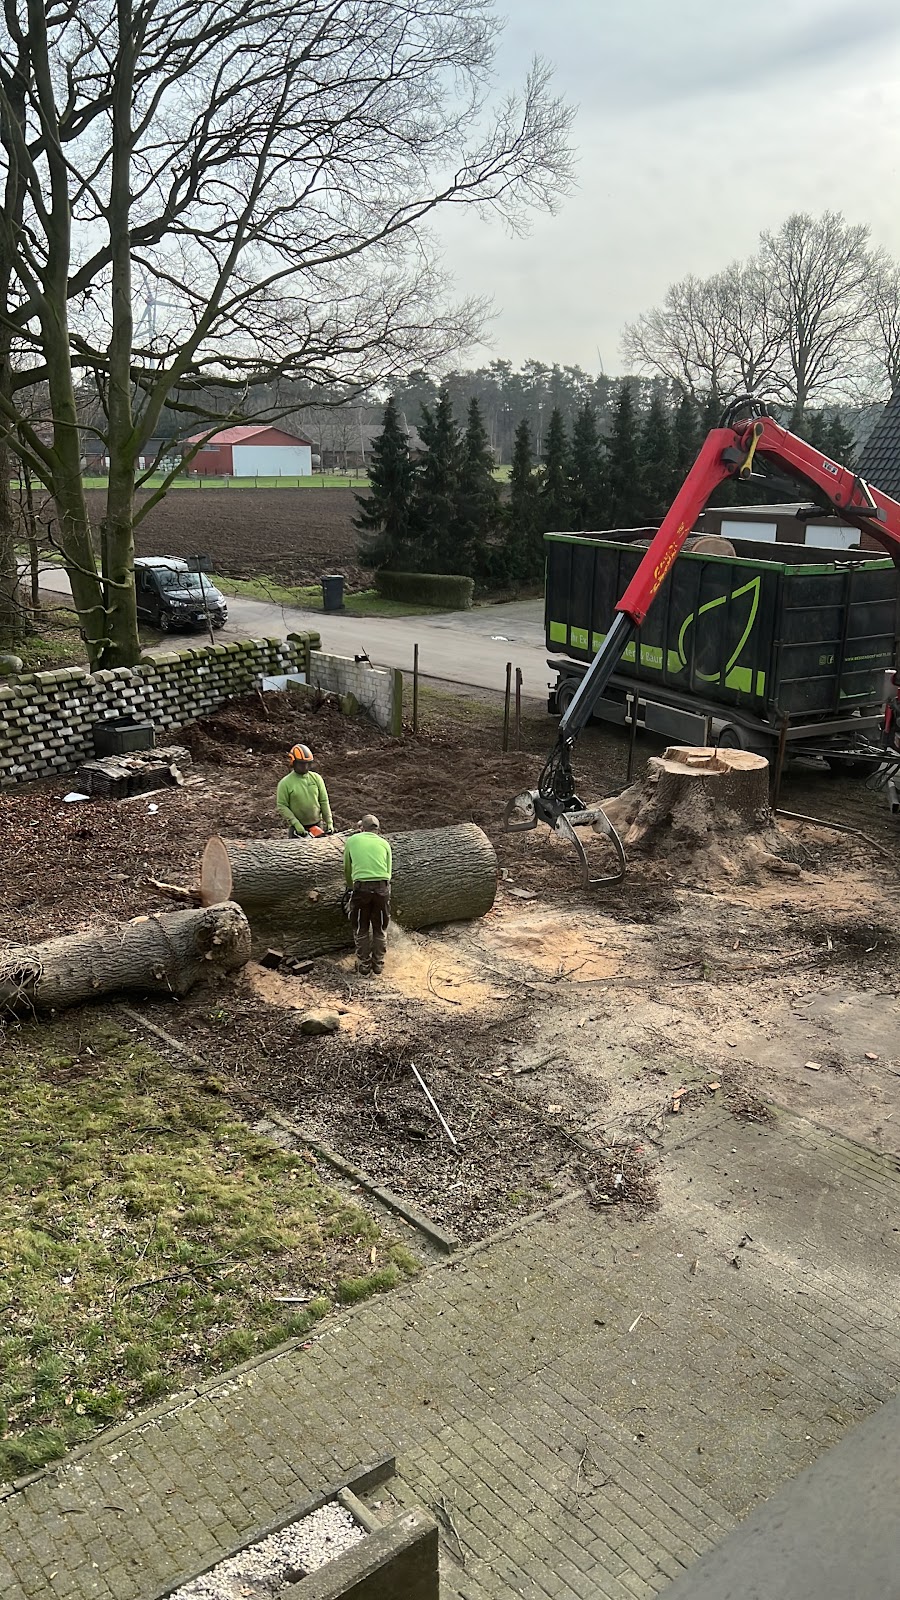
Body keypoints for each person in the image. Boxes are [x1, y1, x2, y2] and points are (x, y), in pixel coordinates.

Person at [343, 814, 392, 976]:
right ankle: (378, 964)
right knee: (380, 928)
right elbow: (388, 872)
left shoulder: (352, 840)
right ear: (377, 829)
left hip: (362, 889)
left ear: (361, 828)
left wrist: (350, 887)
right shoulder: (384, 843)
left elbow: (347, 868)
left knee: (361, 927)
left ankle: (364, 965)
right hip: (382, 888)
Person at [276, 744, 334, 838]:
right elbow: (282, 805)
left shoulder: (316, 778)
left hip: (317, 826)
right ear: (293, 762)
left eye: (308, 764)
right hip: (297, 829)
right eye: (302, 764)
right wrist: (295, 823)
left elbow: (324, 801)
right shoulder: (285, 783)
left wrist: (329, 822)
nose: (305, 767)